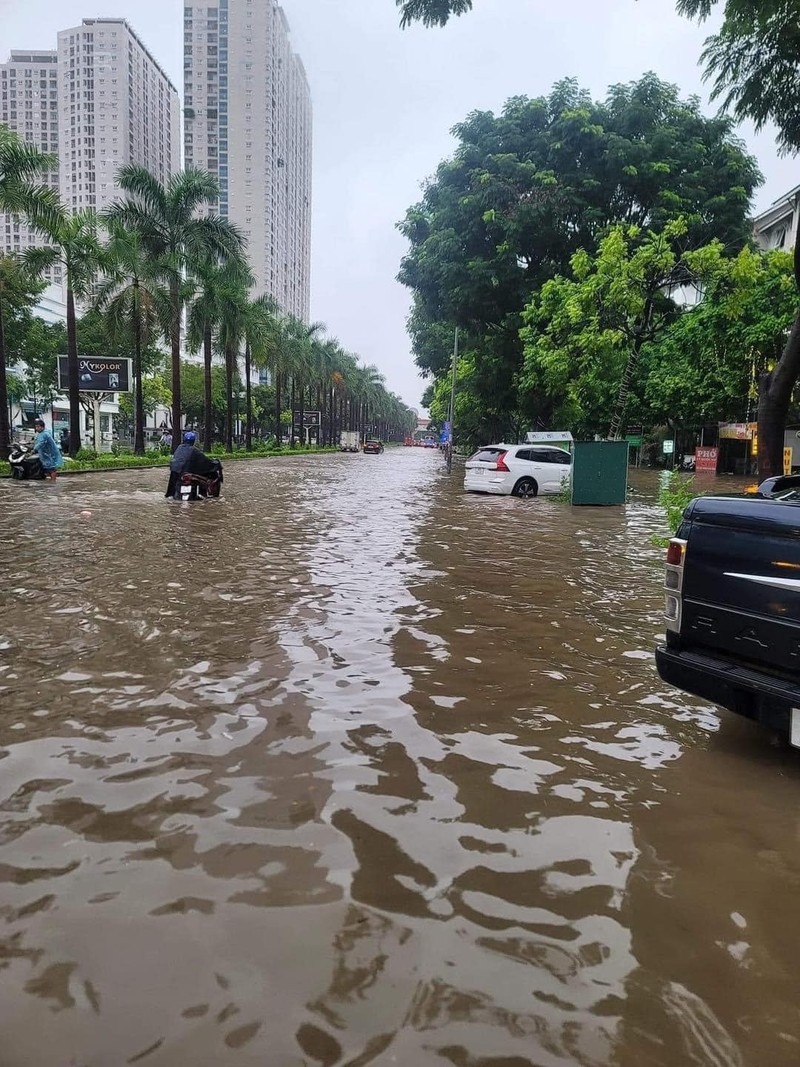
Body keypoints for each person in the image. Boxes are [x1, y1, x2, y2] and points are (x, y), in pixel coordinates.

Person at [165, 431, 222, 499]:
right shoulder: (194, 450)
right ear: (193, 441)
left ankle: (170, 494)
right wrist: (215, 463)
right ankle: (202, 494)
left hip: (177, 474)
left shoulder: (179, 448)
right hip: (187, 474)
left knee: (172, 479)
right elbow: (205, 461)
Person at [32, 418, 64, 482]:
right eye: (36, 427)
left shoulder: (44, 434)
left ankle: (53, 482)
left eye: (38, 427)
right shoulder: (42, 433)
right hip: (45, 454)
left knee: (52, 469)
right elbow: (37, 442)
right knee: (48, 468)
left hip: (50, 454)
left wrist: (34, 450)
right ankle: (51, 480)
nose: (36, 428)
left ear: (42, 427)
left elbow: (41, 443)